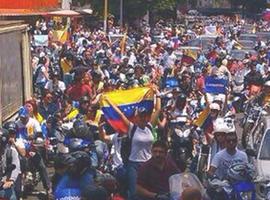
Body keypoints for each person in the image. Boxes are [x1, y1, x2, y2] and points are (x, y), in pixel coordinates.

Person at [104, 86, 161, 200]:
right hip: (134, 165)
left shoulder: (150, 126)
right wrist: (109, 101)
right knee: (134, 193)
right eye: (141, 116)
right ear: (137, 117)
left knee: (150, 190)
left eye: (145, 116)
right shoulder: (132, 128)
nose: (143, 118)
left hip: (148, 163)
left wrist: (157, 94)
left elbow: (158, 110)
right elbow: (121, 114)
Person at [0, 127, 21, 200]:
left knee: (12, 197)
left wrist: (11, 180)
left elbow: (16, 166)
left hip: (4, 182)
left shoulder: (11, 152)